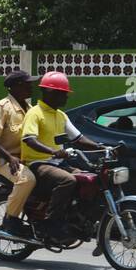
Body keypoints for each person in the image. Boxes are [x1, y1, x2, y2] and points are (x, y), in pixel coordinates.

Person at [20, 71, 104, 238]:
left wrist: (103, 147)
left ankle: (76, 219)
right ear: (51, 92)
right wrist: (53, 152)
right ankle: (50, 223)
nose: (66, 98)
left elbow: (79, 139)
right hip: (37, 163)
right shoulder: (34, 113)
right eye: (63, 94)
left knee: (91, 180)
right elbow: (29, 139)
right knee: (67, 180)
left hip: (57, 163)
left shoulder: (61, 115)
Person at [0, 69, 38, 237]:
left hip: (29, 159)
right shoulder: (2, 107)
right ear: (17, 86)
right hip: (5, 161)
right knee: (27, 180)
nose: (31, 87)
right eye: (28, 84)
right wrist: (10, 157)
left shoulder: (30, 108)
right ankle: (10, 220)